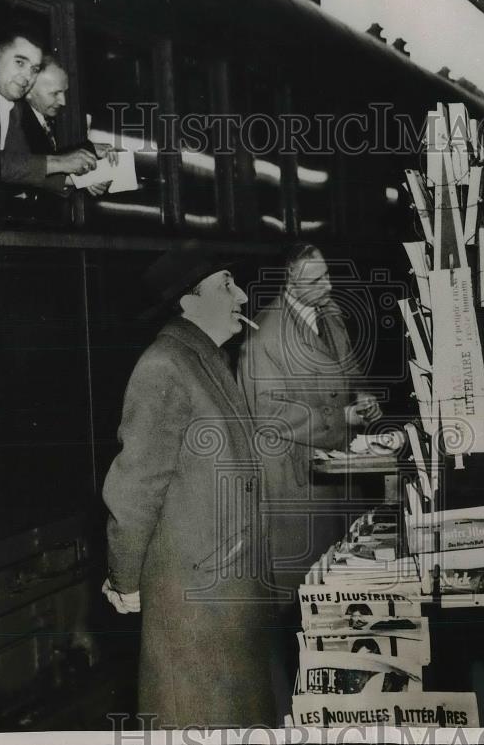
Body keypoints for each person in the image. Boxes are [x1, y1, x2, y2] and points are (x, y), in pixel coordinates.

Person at [101, 246, 275, 728]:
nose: (241, 294)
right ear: (187, 301)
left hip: (226, 594)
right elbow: (135, 487)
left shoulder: (206, 358)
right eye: (226, 284)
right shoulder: (164, 365)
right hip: (196, 604)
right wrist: (126, 580)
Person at [236, 243, 382, 716]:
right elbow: (269, 416)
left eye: (327, 275)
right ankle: (303, 712)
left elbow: (350, 370)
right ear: (288, 282)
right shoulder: (264, 339)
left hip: (337, 483)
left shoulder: (329, 312)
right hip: (298, 490)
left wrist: (364, 400)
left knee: (341, 598)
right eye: (316, 280)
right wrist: (338, 416)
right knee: (303, 609)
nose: (329, 286)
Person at [0, 26, 97, 192]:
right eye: (20, 63)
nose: (27, 77)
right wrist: (59, 163)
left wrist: (81, 179)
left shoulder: (15, 111)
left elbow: (22, 167)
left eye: (34, 69)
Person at [15, 59, 117, 196]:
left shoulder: (45, 117)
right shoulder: (16, 123)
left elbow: (49, 159)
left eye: (64, 92)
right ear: (28, 92)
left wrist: (90, 150)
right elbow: (26, 170)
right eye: (54, 94)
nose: (63, 101)